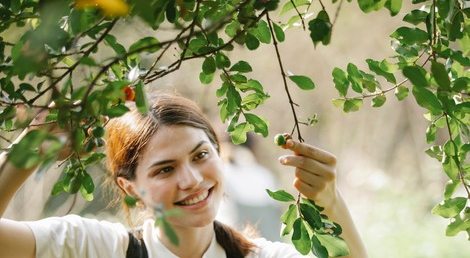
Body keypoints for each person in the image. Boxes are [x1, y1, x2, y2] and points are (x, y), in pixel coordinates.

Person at [0, 91, 367, 257]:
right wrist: (24, 157)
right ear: (130, 189)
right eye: (165, 169)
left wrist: (331, 203)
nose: (191, 179)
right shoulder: (95, 248)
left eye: (201, 155)